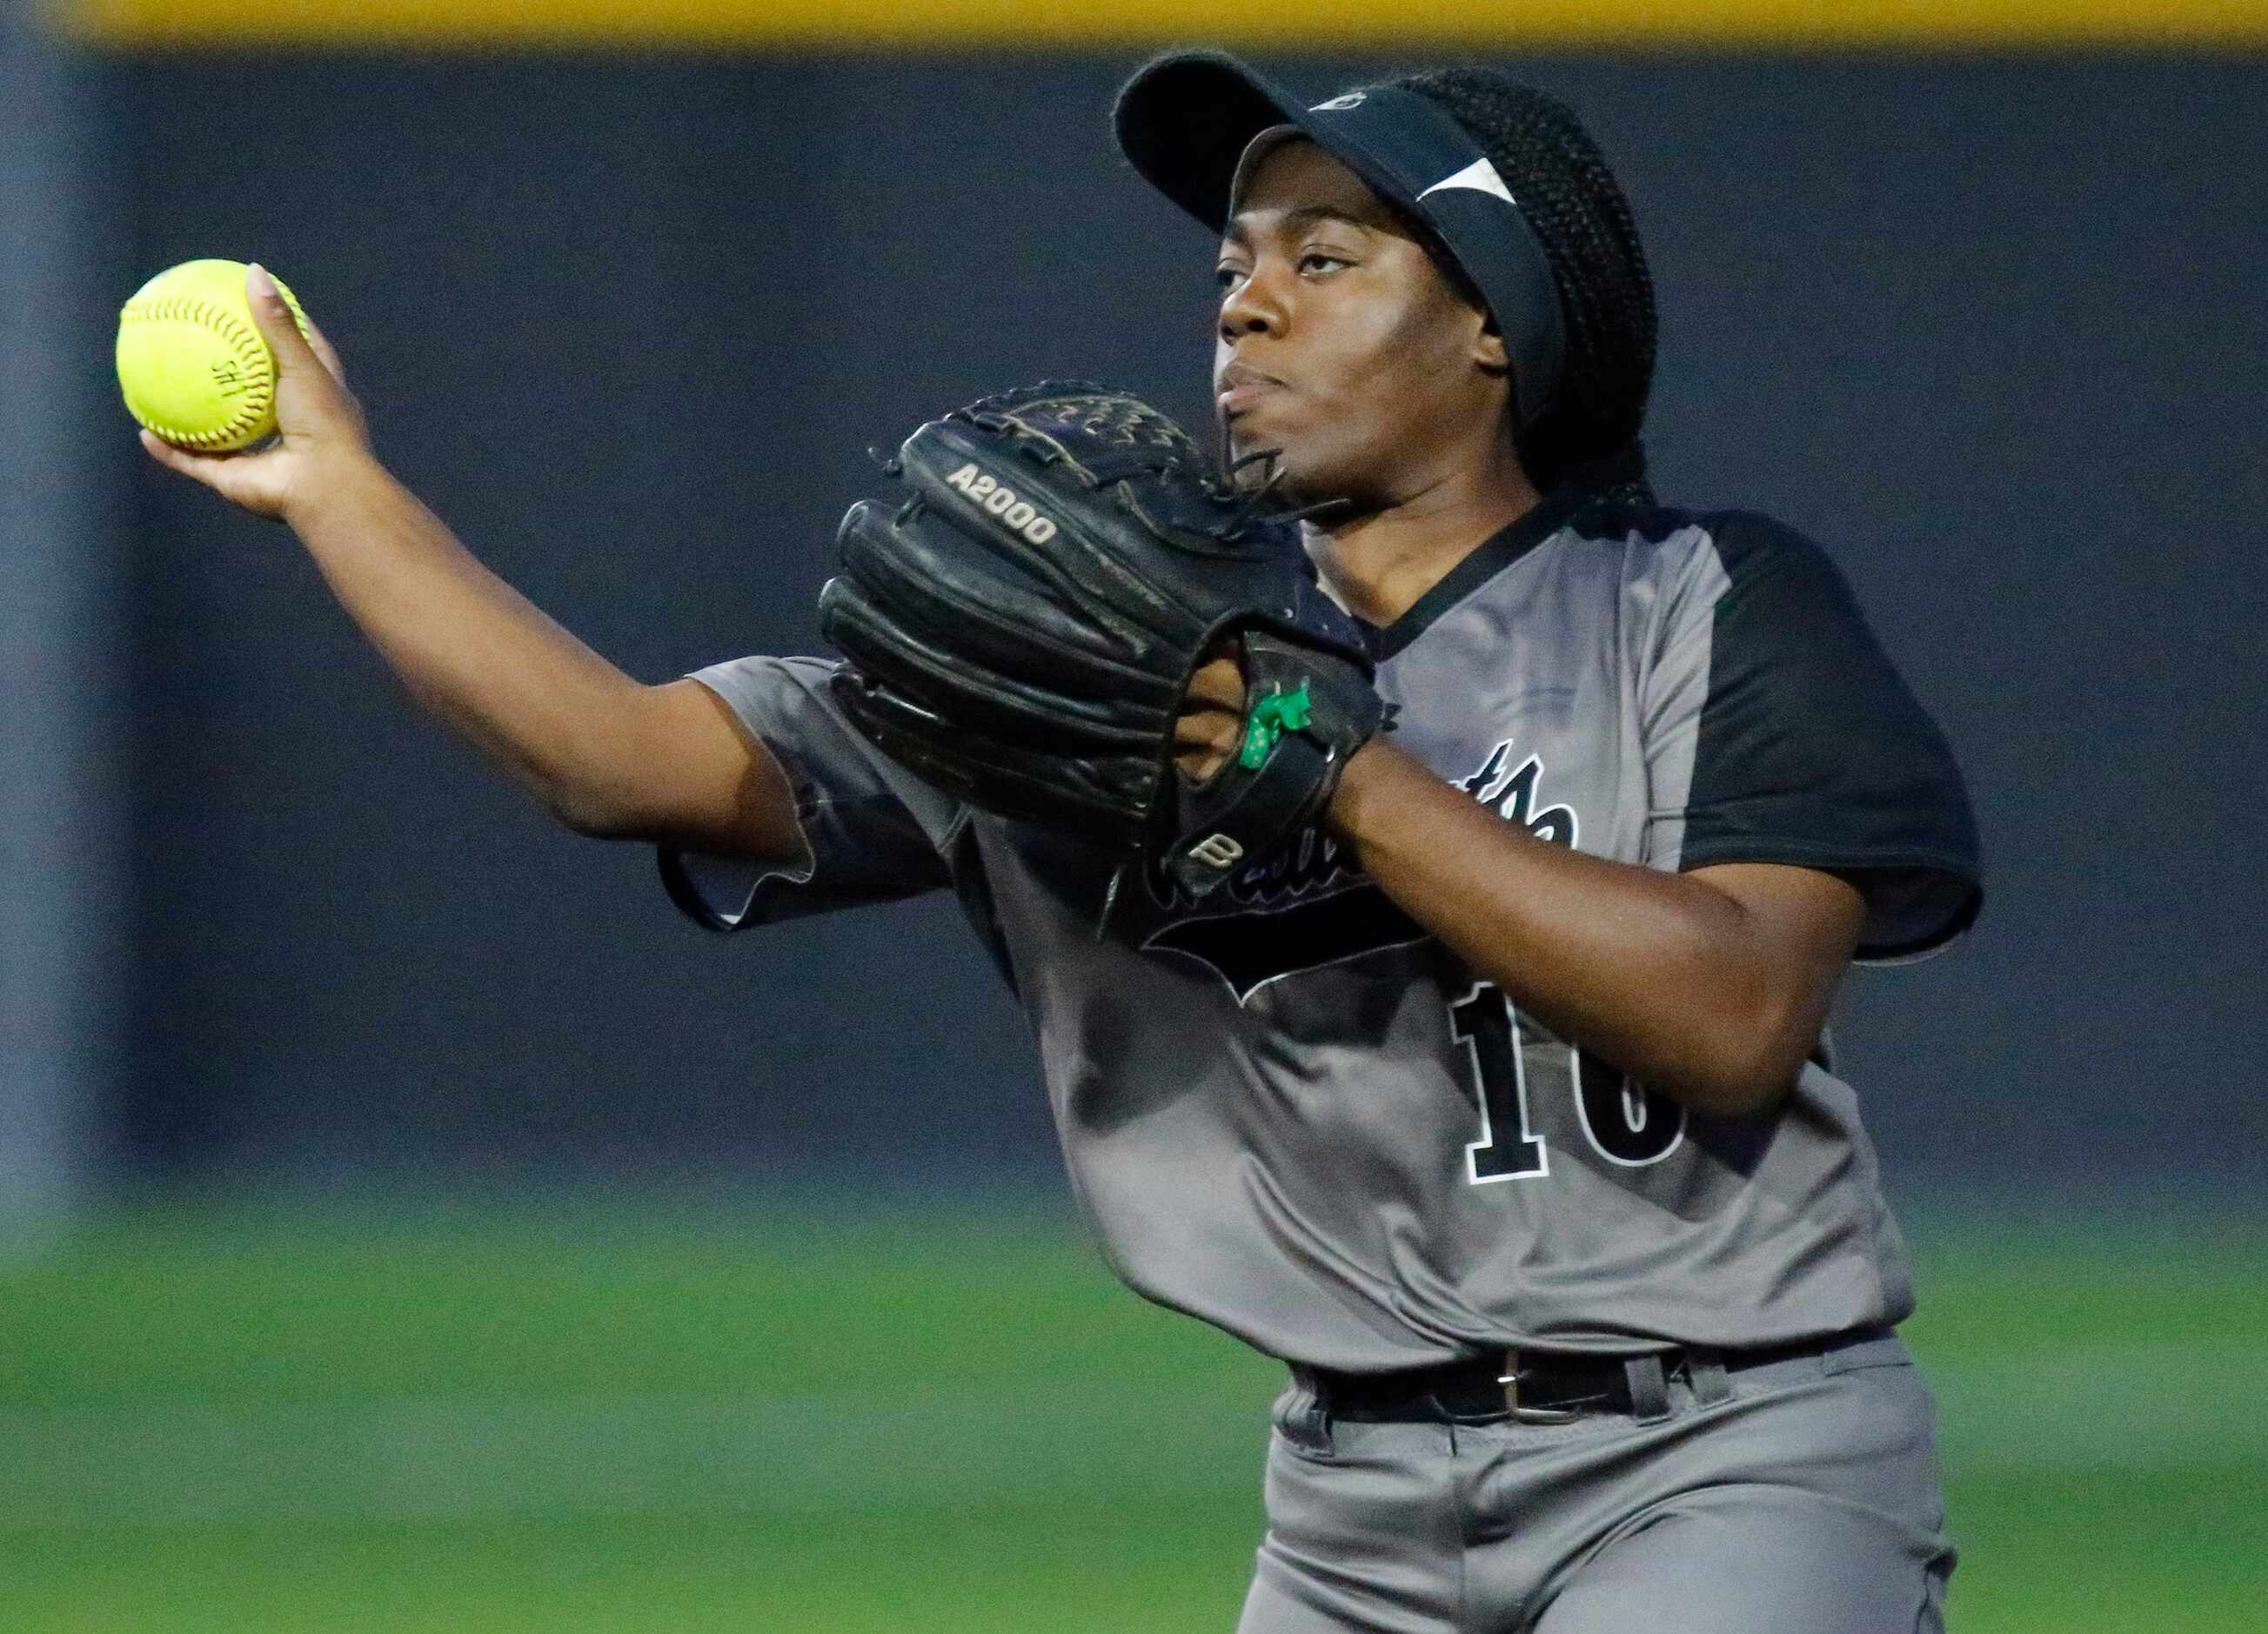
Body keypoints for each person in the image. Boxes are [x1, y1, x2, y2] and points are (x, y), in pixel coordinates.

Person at [141, 49, 1982, 1634]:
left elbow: (1733, 1012)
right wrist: (339, 492)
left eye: (1321, 260)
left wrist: (1322, 765)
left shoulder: (1696, 602)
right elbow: (625, 763)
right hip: (1350, 1507)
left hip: (1723, 1453)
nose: (1242, 305)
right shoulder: (1083, 663)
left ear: (1495, 325)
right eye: (1230, 267)